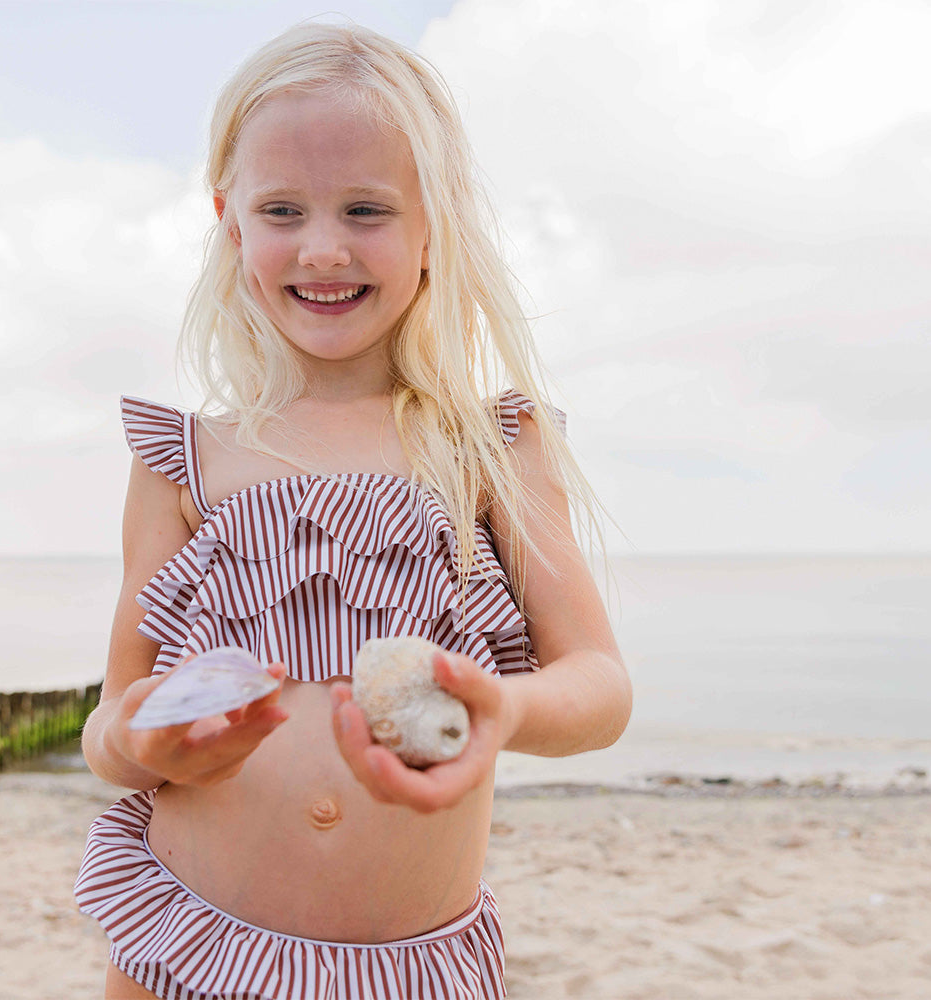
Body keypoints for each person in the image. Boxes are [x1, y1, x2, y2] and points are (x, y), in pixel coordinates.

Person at [74, 20, 632, 1000]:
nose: (323, 248)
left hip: (410, 965)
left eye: (365, 209)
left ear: (435, 228)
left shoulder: (491, 447)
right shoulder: (184, 463)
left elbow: (598, 687)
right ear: (230, 222)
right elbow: (111, 722)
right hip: (187, 939)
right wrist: (141, 742)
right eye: (282, 208)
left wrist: (506, 707)